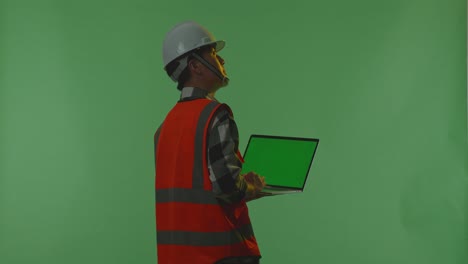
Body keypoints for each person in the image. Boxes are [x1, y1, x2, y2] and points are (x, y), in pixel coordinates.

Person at [153, 21, 267, 264]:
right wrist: (252, 188)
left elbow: (193, 189)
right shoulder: (214, 115)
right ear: (195, 66)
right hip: (221, 255)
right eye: (214, 54)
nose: (222, 61)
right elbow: (227, 187)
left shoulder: (163, 128)